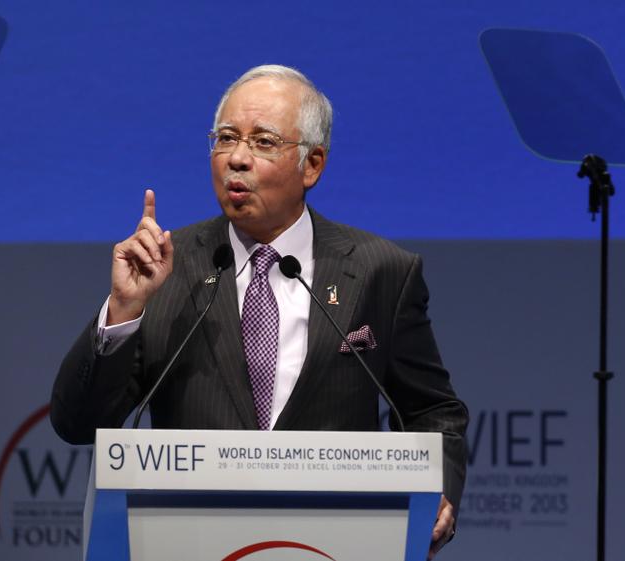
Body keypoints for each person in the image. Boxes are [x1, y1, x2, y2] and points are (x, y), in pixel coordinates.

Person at [51, 64, 468, 558]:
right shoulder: (165, 266)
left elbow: (432, 411)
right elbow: (77, 424)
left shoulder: (381, 272)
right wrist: (123, 309)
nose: (237, 159)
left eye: (263, 142)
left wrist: (437, 491)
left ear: (312, 164)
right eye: (225, 138)